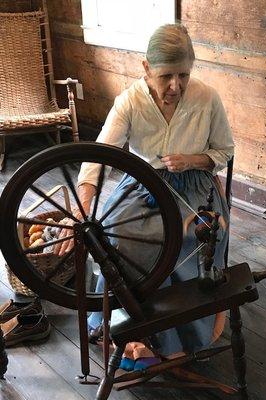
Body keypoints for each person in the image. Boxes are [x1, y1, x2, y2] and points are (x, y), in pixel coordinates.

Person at [56, 23, 234, 371]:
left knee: (192, 238)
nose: (176, 86)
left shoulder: (207, 98)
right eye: (167, 75)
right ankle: (133, 331)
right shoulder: (131, 101)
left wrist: (192, 160)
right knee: (117, 238)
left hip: (194, 189)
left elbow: (224, 151)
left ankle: (179, 336)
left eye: (184, 75)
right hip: (143, 187)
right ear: (147, 68)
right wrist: (82, 208)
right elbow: (99, 153)